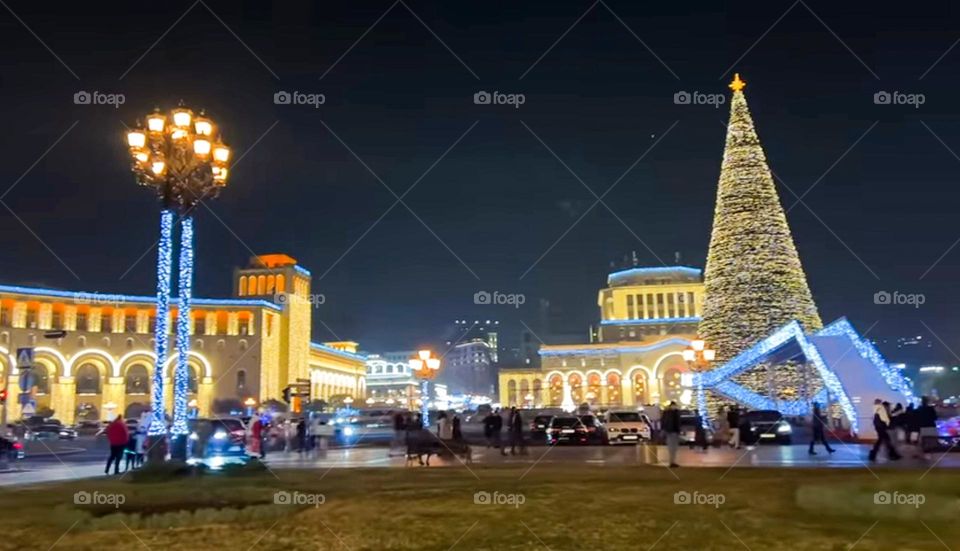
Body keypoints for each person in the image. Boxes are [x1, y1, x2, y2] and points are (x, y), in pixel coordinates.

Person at [662, 402, 681, 468]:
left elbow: (664, 422)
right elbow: (665, 422)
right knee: (672, 448)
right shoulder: (670, 413)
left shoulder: (670, 412)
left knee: (673, 448)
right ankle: (672, 462)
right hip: (671, 432)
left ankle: (672, 462)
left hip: (673, 431)